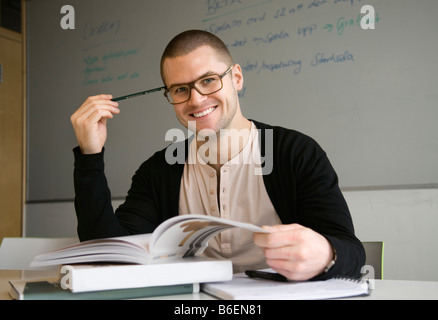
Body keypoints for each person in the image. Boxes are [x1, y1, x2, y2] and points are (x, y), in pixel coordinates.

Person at [70, 30, 365, 281]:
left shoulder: (296, 153)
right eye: (180, 89)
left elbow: (351, 251)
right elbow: (110, 255)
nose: (196, 99)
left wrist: (326, 253)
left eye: (209, 80)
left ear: (236, 77)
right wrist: (89, 156)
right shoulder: (157, 172)